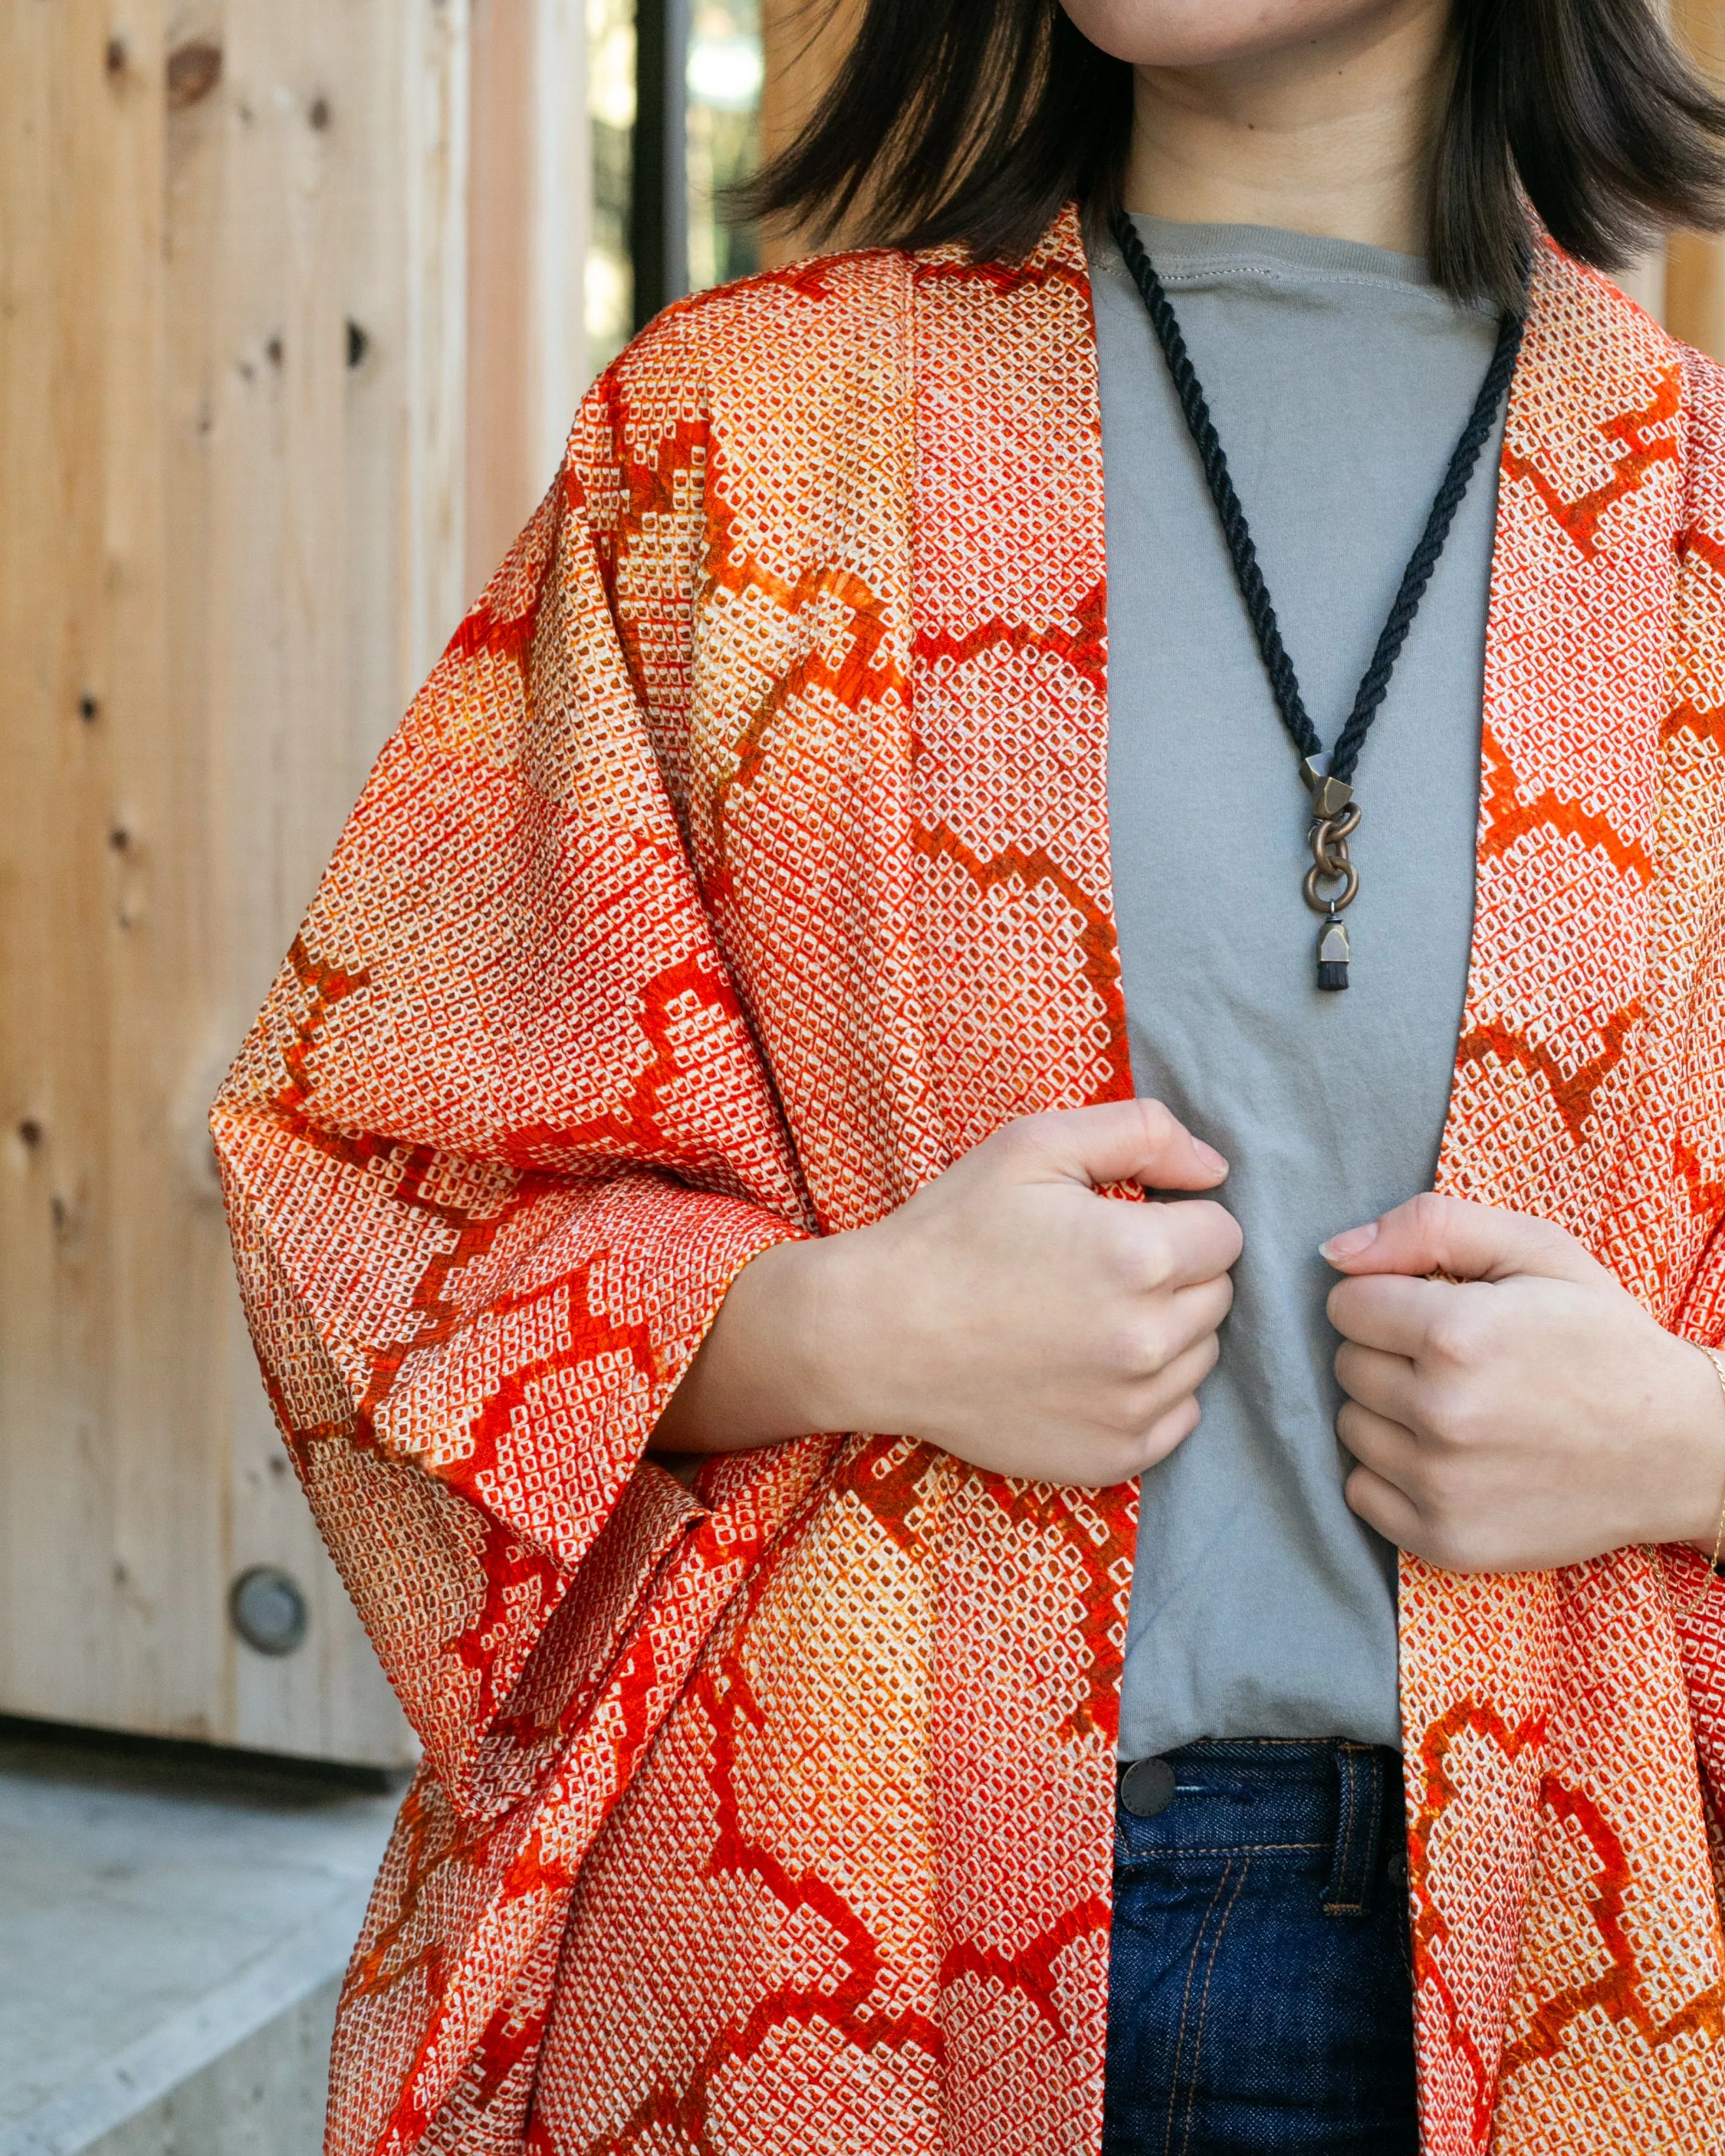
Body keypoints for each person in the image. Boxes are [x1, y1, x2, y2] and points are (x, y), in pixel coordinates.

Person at [211, 0, 1725, 2146]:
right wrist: (832, 1322)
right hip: (825, 1949)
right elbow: (372, 1174)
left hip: (1569, 1958)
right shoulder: (736, 438)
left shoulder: (1703, 526)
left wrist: (1689, 1442)